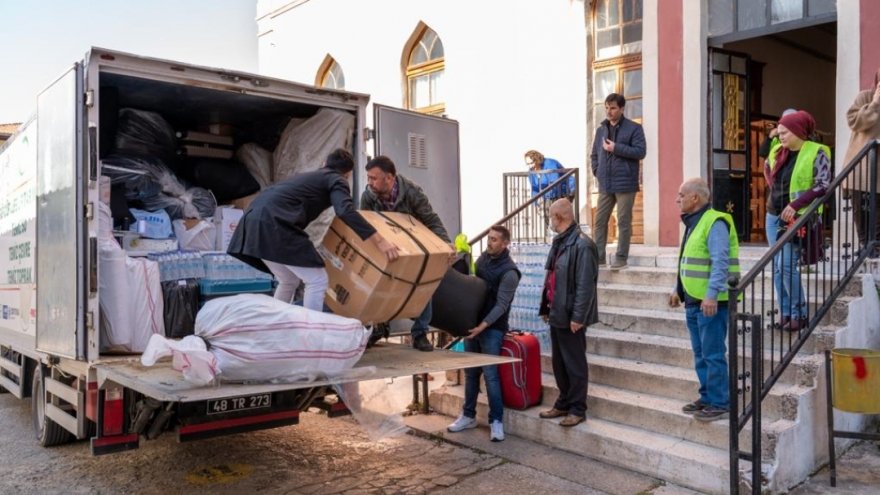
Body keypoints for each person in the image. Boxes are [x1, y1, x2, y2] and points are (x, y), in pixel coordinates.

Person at [227, 149, 399, 312]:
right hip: (275, 225)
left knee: (288, 280)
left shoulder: (308, 177)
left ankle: (274, 325)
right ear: (347, 173)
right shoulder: (337, 179)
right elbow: (345, 211)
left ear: (325, 163)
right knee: (317, 280)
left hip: (251, 222)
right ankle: (311, 332)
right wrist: (380, 241)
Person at [360, 155, 451, 352]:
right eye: (368, 178)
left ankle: (419, 333)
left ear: (390, 178)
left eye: (374, 178)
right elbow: (364, 222)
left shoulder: (411, 192)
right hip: (384, 247)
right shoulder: (368, 196)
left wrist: (446, 245)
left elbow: (430, 219)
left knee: (422, 283)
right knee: (379, 285)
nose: (370, 183)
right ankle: (378, 327)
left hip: (412, 246)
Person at [668, 178, 739, 422]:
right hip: (692, 300)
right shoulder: (692, 222)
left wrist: (711, 294)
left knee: (713, 354)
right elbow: (686, 259)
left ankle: (721, 402)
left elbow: (720, 262)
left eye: (681, 195)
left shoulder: (715, 222)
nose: (677, 199)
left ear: (694, 198)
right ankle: (707, 396)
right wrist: (677, 289)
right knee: (700, 354)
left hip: (711, 303)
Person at [446, 224, 521, 442]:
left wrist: (483, 326)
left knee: (490, 376)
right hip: (473, 324)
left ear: (505, 243)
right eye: (489, 238)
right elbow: (472, 285)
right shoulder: (483, 259)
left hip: (492, 328)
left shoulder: (510, 272)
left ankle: (496, 421)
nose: (489, 242)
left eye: (495, 239)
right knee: (470, 373)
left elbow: (502, 305)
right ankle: (468, 415)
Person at [764, 110, 830, 331]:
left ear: (798, 131)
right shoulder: (777, 151)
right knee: (777, 267)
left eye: (784, 132)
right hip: (773, 215)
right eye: (779, 132)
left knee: (786, 265)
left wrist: (794, 204)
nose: (780, 136)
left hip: (798, 217)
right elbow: (767, 170)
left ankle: (798, 313)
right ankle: (784, 313)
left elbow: (822, 185)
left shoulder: (817, 151)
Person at [537, 198, 598, 427]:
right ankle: (563, 402)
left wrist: (578, 317)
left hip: (571, 314)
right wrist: (545, 306)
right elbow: (551, 276)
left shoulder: (583, 245)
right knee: (559, 362)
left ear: (559, 217)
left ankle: (577, 408)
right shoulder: (560, 241)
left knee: (574, 363)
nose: (549, 221)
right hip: (557, 311)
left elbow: (586, 285)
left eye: (550, 216)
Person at [590, 93, 647, 271]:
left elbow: (640, 152)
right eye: (607, 107)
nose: (609, 111)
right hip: (606, 183)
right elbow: (594, 155)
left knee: (623, 221)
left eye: (613, 108)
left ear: (622, 109)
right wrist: (597, 171)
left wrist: (616, 148)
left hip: (625, 182)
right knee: (599, 221)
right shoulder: (601, 130)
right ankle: (599, 258)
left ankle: (621, 257)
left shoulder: (634, 128)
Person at [843, 68, 880, 256]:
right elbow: (854, 122)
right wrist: (874, 103)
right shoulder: (865, 97)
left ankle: (876, 246)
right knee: (861, 209)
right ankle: (865, 245)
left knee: (878, 210)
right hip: (862, 167)